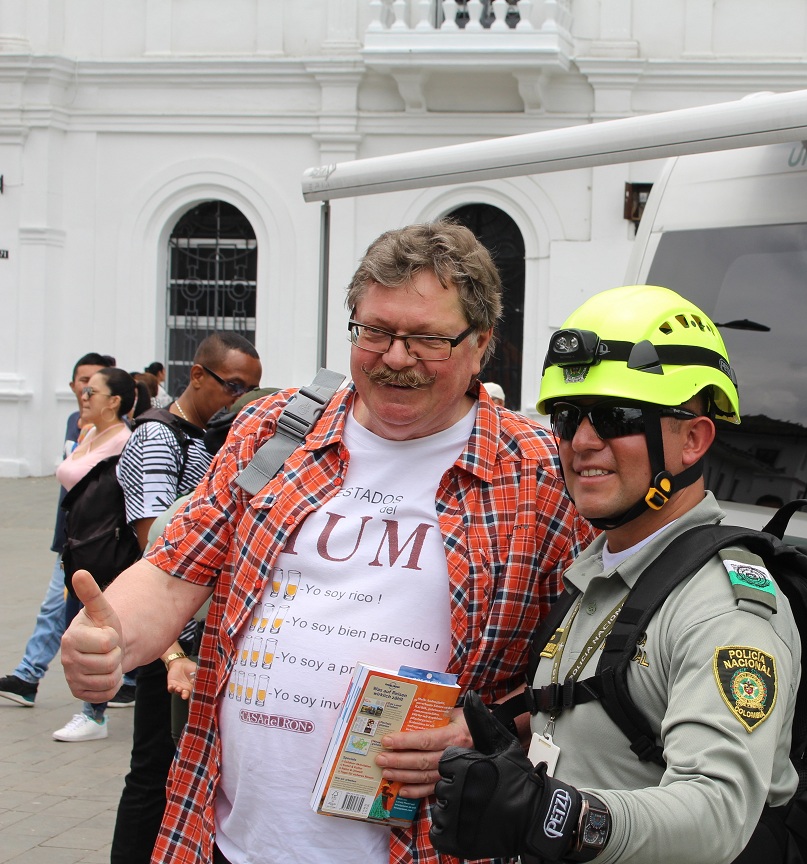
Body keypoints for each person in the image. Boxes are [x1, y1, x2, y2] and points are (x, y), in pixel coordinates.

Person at [62, 220, 593, 864]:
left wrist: (487, 728)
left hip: (425, 845)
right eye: (376, 331)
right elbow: (175, 572)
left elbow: (586, 664)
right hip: (228, 839)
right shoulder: (274, 429)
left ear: (480, 345)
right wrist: (112, 637)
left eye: (426, 338)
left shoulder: (538, 469)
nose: (396, 357)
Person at [430, 285, 802, 864]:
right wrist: (514, 739)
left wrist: (555, 816)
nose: (582, 441)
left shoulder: (723, 609)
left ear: (693, 440)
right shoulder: (603, 573)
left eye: (615, 416)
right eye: (568, 415)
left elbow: (716, 816)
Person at [108, 333, 263, 864]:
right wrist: (172, 653)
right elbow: (159, 552)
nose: (237, 401)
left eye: (251, 391)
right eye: (233, 387)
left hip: (195, 633)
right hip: (164, 630)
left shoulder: (206, 438)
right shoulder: (158, 437)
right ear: (198, 375)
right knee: (154, 769)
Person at [0, 352, 120, 709]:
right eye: (82, 383)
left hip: (94, 542)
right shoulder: (76, 422)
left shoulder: (116, 435)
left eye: (93, 384)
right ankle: (29, 675)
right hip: (69, 535)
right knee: (54, 610)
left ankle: (41, 678)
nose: (86, 391)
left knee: (68, 610)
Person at [49, 367, 141, 741]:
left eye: (92, 393)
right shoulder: (87, 432)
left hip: (103, 548)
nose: (83, 397)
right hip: (77, 543)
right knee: (68, 621)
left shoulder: (124, 441)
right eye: (82, 391)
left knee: (91, 623)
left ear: (113, 402)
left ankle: (94, 713)